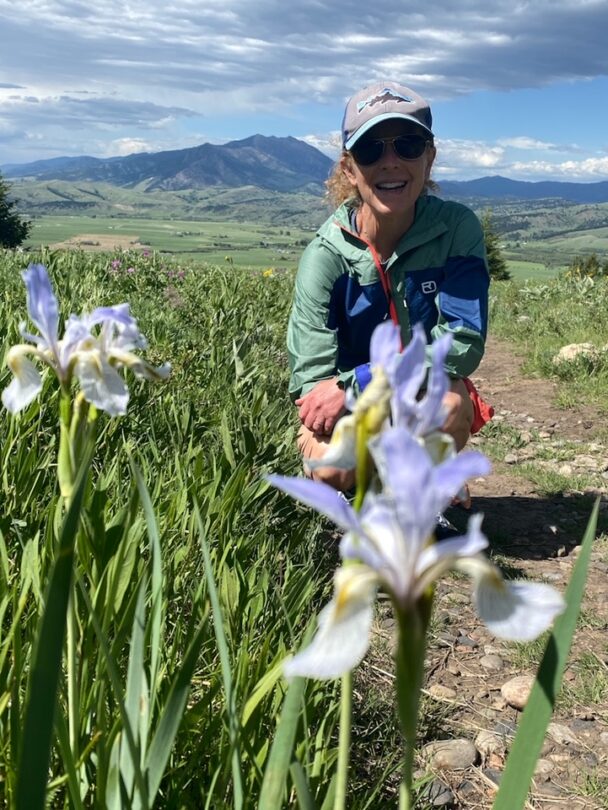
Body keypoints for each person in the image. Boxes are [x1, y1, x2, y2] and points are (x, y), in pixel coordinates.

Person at [287, 80, 492, 493]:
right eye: (370, 150)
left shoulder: (455, 230)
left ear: (429, 158)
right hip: (351, 409)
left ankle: (420, 493)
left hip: (413, 392)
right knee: (333, 466)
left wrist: (362, 380)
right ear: (349, 169)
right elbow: (312, 383)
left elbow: (463, 342)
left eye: (408, 145)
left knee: (450, 407)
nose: (391, 162)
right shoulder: (326, 256)